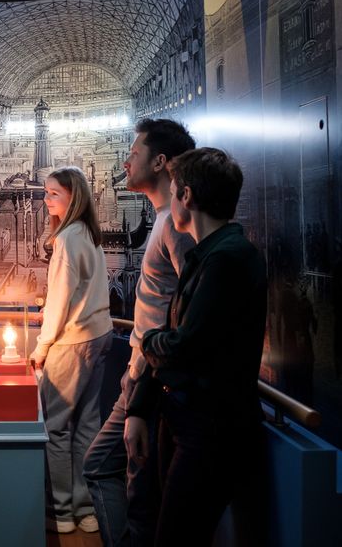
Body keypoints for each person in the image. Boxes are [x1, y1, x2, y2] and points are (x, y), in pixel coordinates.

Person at [130, 148, 267, 546]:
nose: (170, 201)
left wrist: (149, 340)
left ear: (186, 196)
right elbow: (180, 339)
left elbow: (184, 344)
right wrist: (139, 408)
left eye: (173, 190)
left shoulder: (227, 259)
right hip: (190, 422)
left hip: (209, 432)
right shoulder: (211, 255)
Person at [83, 119, 196, 546]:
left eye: (134, 153)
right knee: (129, 482)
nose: (126, 162)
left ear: (161, 161)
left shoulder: (174, 227)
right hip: (141, 373)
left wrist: (144, 378)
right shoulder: (165, 221)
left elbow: (183, 310)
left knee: (136, 489)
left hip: (152, 379)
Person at [32, 166, 113, 534]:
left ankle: (61, 511)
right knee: (87, 425)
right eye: (46, 192)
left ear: (72, 196)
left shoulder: (66, 239)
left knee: (56, 428)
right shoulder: (89, 234)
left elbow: (60, 300)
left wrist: (42, 346)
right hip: (100, 336)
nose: (46, 199)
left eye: (54, 194)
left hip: (72, 341)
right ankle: (86, 509)